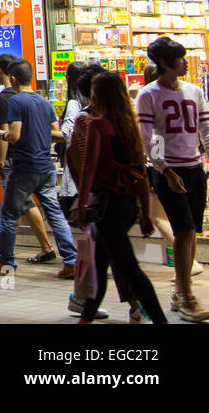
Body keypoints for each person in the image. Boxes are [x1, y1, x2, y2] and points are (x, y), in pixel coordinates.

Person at [72, 71, 168, 324]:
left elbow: (89, 171)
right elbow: (141, 173)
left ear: (98, 94)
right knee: (101, 263)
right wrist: (145, 212)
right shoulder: (129, 125)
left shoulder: (98, 125)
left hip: (106, 205)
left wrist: (81, 205)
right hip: (126, 205)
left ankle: (160, 320)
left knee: (129, 269)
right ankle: (86, 318)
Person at [136, 36, 209, 321]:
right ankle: (186, 295)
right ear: (165, 63)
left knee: (190, 232)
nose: (184, 63)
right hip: (168, 172)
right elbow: (148, 137)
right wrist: (165, 170)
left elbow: (205, 128)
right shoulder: (149, 94)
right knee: (184, 230)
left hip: (194, 169)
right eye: (179, 59)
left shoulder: (193, 91)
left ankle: (181, 292)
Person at [0, 59, 76, 279]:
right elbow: (59, 135)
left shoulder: (16, 101)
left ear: (13, 78)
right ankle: (71, 261)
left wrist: (3, 135)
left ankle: (4, 261)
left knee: (8, 215)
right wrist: (39, 133)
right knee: (55, 214)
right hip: (46, 166)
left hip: (24, 166)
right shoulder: (44, 102)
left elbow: (14, 135)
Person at [0, 53, 56, 262]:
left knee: (20, 205)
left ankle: (11, 254)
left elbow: (6, 133)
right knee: (26, 204)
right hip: (39, 157)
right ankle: (8, 251)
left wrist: (1, 161)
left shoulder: (7, 98)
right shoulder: (36, 98)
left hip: (17, 159)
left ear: (2, 71)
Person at [58, 62, 100, 219]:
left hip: (80, 170)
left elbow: (66, 134)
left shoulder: (74, 104)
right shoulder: (90, 105)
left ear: (69, 79)